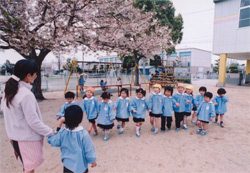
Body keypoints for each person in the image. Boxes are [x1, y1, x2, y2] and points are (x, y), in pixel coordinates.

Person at [1, 59, 53, 173]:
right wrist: (50, 132)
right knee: (29, 169)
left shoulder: (8, 90)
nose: (35, 77)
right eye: (35, 75)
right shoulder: (26, 94)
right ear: (28, 75)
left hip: (14, 137)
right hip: (26, 139)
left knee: (27, 167)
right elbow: (33, 121)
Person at [48, 105, 97, 173]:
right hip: (80, 167)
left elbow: (55, 142)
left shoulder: (63, 131)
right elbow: (89, 149)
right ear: (81, 119)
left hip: (67, 165)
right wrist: (92, 161)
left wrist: (58, 126)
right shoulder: (83, 134)